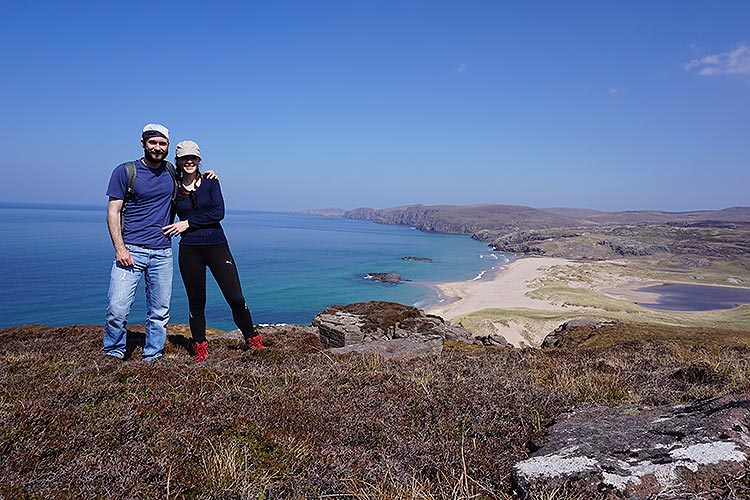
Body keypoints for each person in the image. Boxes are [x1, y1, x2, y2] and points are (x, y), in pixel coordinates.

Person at [161, 140, 264, 363]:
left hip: (217, 246)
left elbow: (218, 213)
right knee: (196, 302)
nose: (189, 161)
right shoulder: (174, 188)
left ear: (199, 160)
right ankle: (200, 347)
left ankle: (252, 339)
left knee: (235, 297)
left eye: (193, 158)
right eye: (184, 158)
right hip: (189, 250)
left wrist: (188, 223)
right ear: (177, 161)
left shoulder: (210, 182)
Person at [103, 124, 178, 361]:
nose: (157, 147)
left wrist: (209, 174)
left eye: (162, 143)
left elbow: (193, 187)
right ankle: (113, 353)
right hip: (131, 251)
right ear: (143, 143)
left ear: (167, 146)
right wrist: (120, 249)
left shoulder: (171, 172)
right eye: (153, 143)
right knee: (117, 308)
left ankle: (153, 356)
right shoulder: (125, 171)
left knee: (159, 312)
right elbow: (113, 212)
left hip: (162, 252)